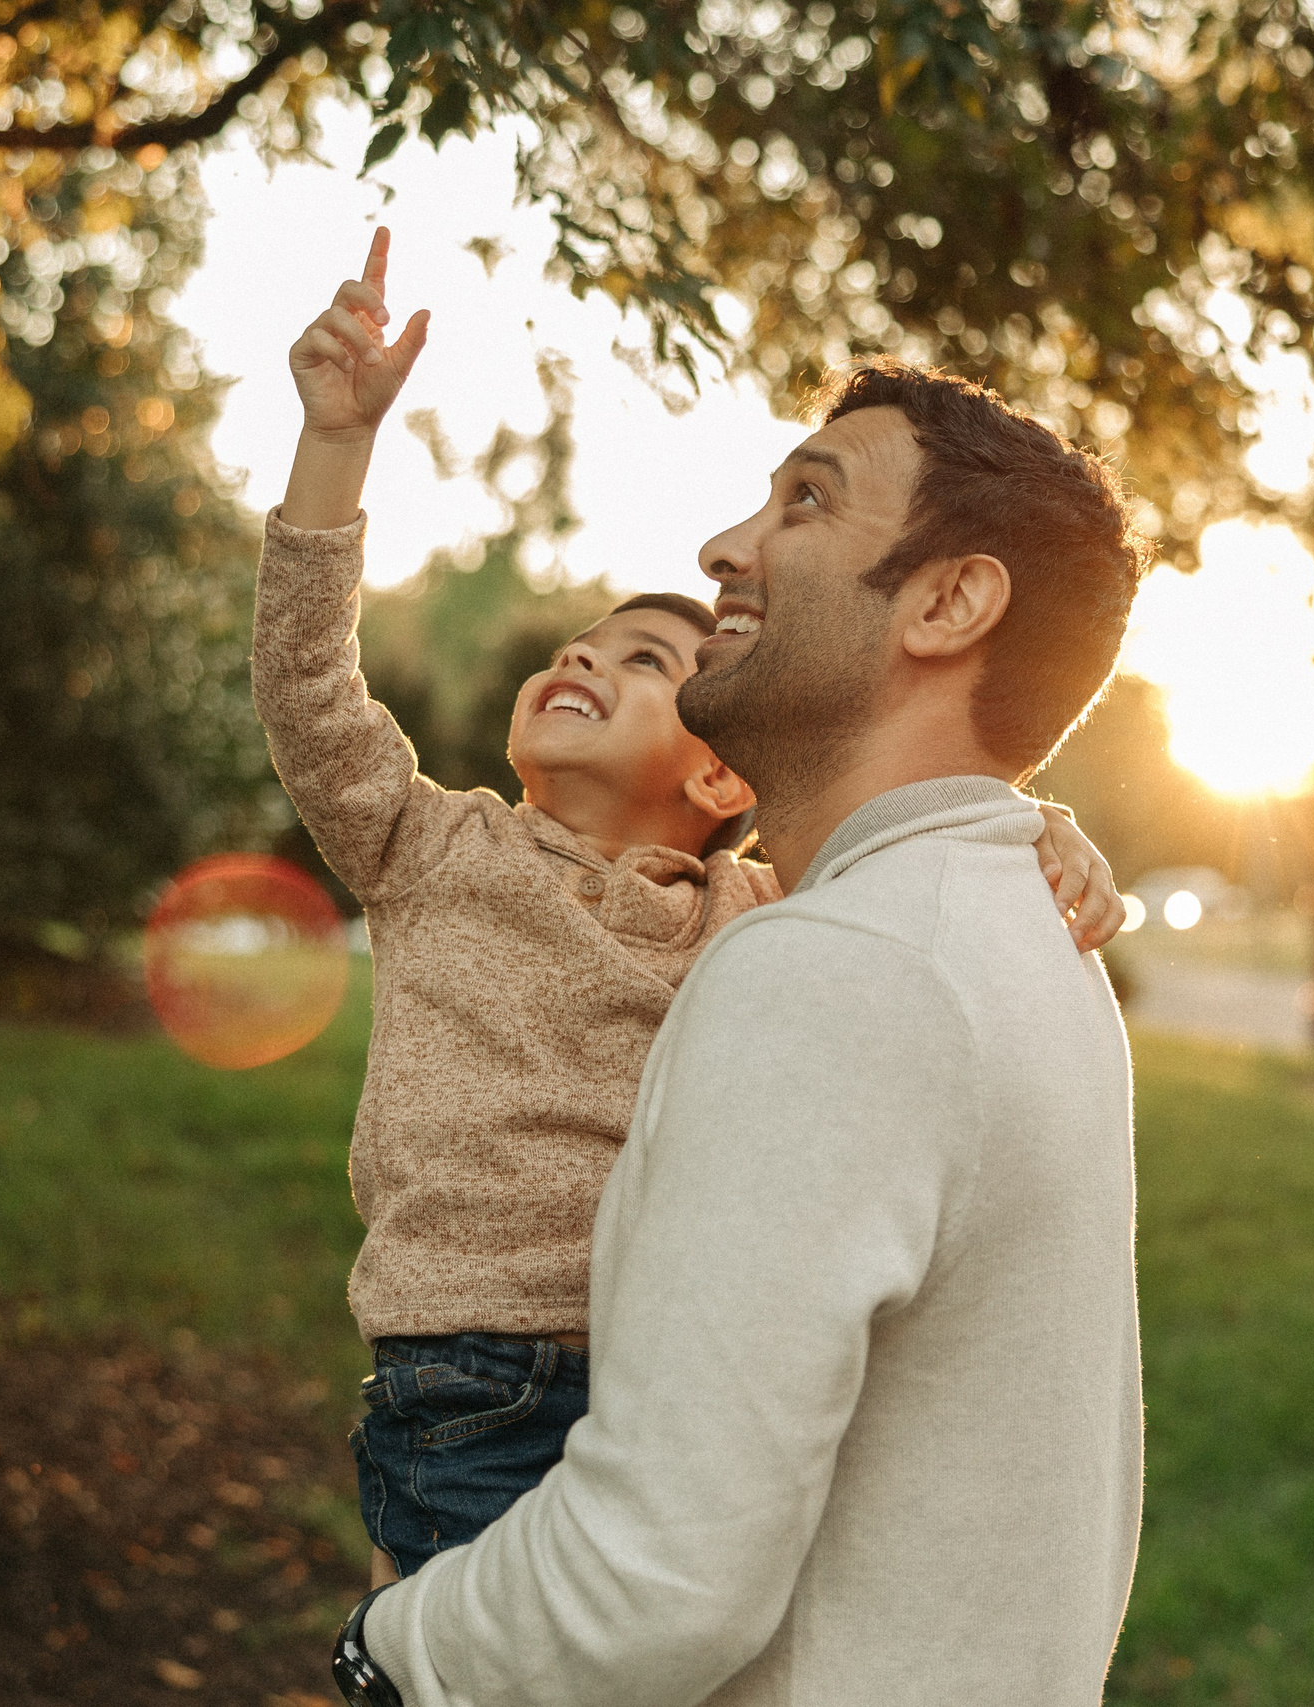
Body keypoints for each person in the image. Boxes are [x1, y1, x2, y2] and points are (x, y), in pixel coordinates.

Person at [253, 230, 1126, 1595]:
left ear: (718, 773)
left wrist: (1050, 833)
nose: (580, 660)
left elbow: (919, 841)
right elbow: (309, 686)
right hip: (467, 1380)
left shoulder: (761, 914)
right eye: (574, 649)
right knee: (486, 1665)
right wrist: (336, 451)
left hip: (662, 1374)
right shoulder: (434, 849)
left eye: (643, 660)